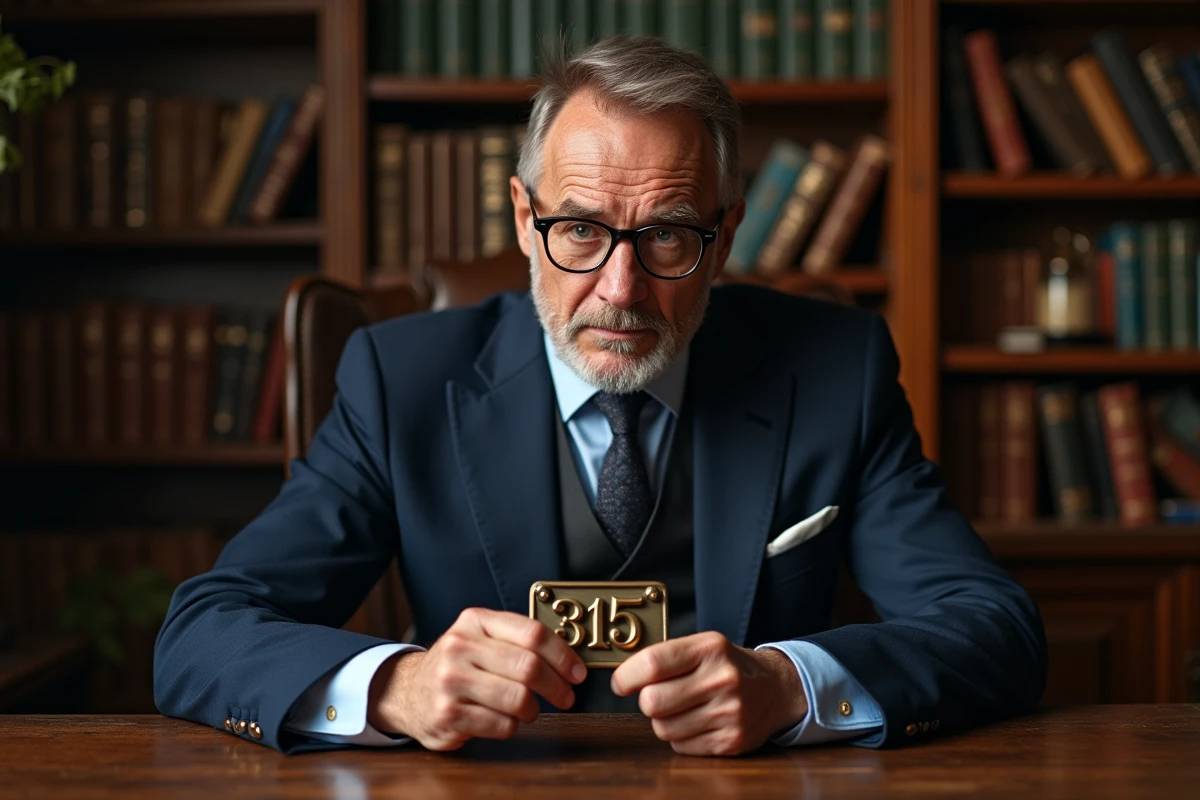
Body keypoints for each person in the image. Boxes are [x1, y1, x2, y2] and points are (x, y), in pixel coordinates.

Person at [154, 37, 1046, 756]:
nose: (620, 289)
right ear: (521, 218)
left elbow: (993, 627)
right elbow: (203, 630)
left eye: (665, 237)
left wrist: (792, 685)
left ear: (725, 234)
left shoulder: (833, 370)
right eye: (579, 229)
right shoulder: (401, 381)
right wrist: (399, 686)